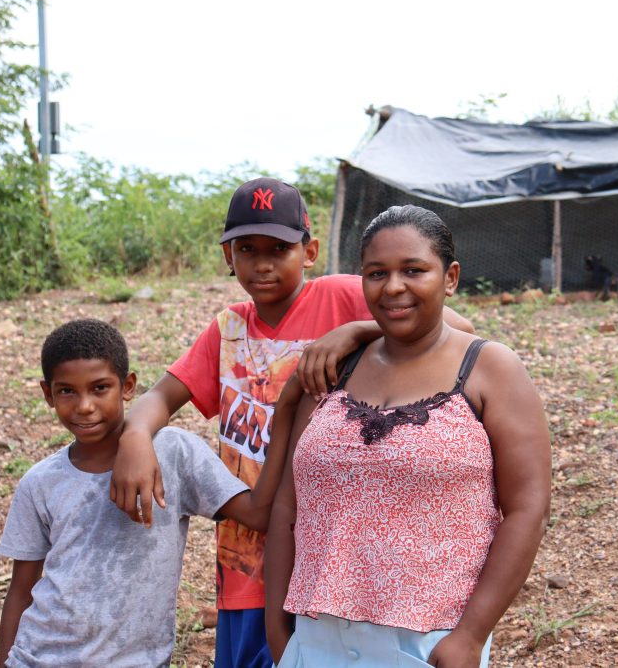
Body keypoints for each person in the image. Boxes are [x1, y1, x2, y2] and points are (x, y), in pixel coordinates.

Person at [109, 178, 473, 668]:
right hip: (244, 555)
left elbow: (457, 330)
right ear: (227, 255)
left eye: (279, 248)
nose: (263, 263)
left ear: (309, 251)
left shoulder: (345, 295)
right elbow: (160, 396)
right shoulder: (229, 330)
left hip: (326, 556)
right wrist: (135, 434)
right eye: (247, 248)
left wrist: (355, 328)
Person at [264, 205, 552, 667]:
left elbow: (528, 509)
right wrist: (277, 629)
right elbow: (287, 506)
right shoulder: (334, 372)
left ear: (450, 277)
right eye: (377, 273)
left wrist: (471, 636)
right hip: (316, 637)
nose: (393, 286)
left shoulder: (488, 369)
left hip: (427, 642)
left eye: (413, 270)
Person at [0, 319, 275, 668]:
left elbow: (258, 514)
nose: (84, 406)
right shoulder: (40, 482)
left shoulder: (174, 452)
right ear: (47, 394)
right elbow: (21, 590)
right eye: (67, 391)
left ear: (127, 387)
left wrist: (288, 416)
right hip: (38, 657)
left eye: (100, 388)